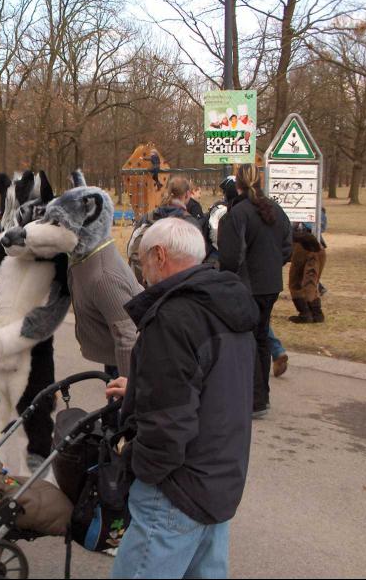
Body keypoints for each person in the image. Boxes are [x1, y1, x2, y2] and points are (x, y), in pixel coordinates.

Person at [106, 217, 258, 580]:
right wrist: (144, 384)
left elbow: (169, 425)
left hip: (175, 489)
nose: (141, 273)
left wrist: (137, 461)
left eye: (141, 261)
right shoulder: (226, 302)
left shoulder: (174, 317)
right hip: (220, 476)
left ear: (159, 255)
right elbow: (216, 382)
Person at [218, 164, 292, 418]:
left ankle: (254, 399)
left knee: (247, 341)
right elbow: (286, 248)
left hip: (247, 286)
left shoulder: (237, 214)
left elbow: (229, 258)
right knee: (260, 338)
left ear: (237, 185)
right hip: (270, 284)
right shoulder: (275, 210)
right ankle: (260, 398)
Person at [288, 211, 328, 324]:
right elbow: (323, 226)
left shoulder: (296, 208)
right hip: (317, 245)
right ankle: (316, 313)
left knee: (296, 281)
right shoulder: (317, 205)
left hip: (303, 245)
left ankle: (305, 313)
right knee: (311, 281)